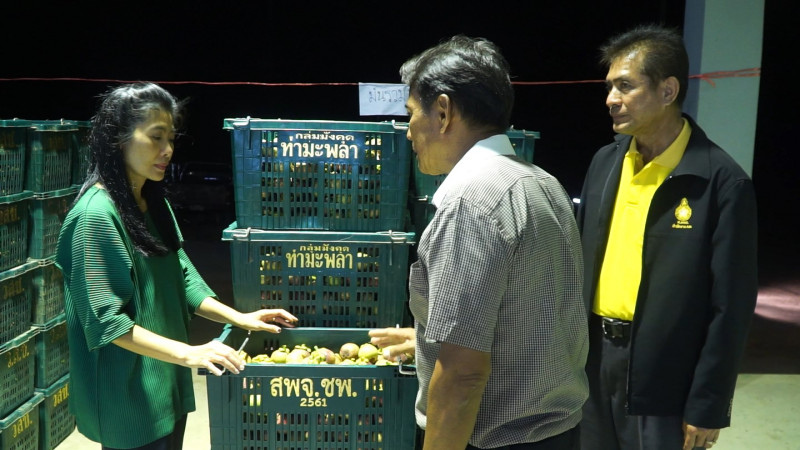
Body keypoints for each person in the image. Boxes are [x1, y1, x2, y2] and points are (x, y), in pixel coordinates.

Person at [55, 82, 298, 450]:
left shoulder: (152, 202)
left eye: (171, 138)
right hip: (129, 395)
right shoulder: (95, 217)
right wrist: (191, 352)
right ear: (117, 139)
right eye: (155, 137)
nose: (167, 150)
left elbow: (181, 276)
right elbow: (108, 324)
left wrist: (240, 318)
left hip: (165, 379)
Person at [384, 35, 589, 450]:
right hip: (559, 432)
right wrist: (427, 338)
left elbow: (463, 375)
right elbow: (529, 314)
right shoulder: (542, 183)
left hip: (498, 440)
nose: (408, 132)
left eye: (410, 115)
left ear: (442, 111)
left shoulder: (470, 202)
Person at [576, 24, 758, 450]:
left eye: (625, 86)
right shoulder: (605, 163)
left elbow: (730, 308)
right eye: (609, 87)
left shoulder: (721, 183)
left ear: (668, 90)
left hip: (665, 381)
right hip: (592, 363)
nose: (610, 99)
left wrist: (707, 405)